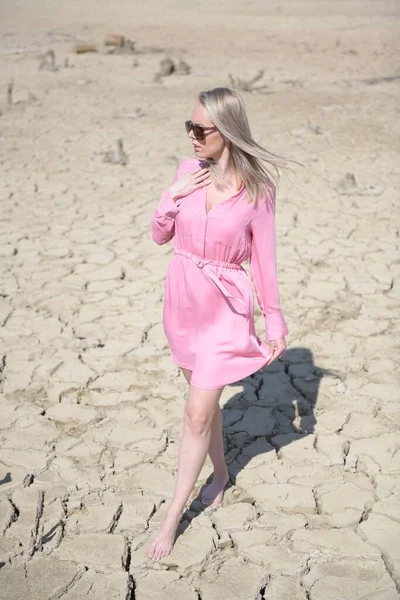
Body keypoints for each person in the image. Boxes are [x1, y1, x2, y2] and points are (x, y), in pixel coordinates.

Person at [147, 87, 291, 560]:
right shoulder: (189, 173)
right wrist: (171, 196)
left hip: (224, 311)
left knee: (195, 414)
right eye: (188, 127)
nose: (191, 136)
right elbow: (158, 235)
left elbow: (265, 262)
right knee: (202, 408)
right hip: (182, 303)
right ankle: (223, 472)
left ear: (226, 132)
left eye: (200, 130)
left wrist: (274, 322)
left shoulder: (258, 192)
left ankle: (171, 519)